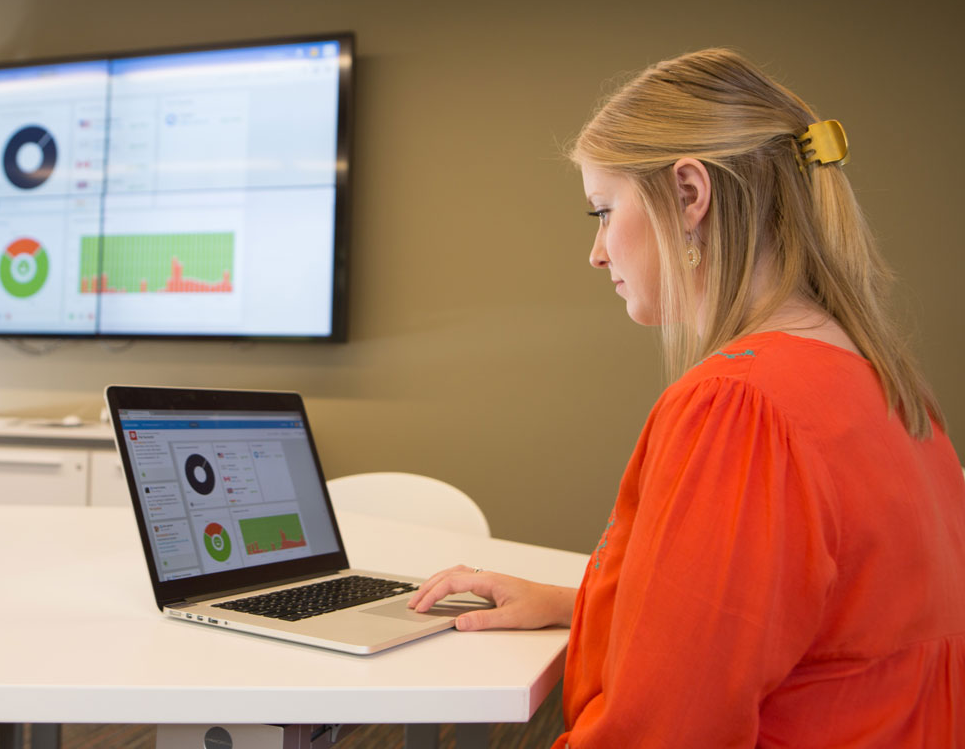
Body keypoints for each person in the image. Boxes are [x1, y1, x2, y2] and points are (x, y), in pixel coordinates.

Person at [407, 49, 965, 748]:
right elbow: (810, 633)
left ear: (689, 195)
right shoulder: (885, 383)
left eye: (604, 211)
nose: (598, 252)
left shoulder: (741, 406)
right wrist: (578, 607)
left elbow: (665, 729)